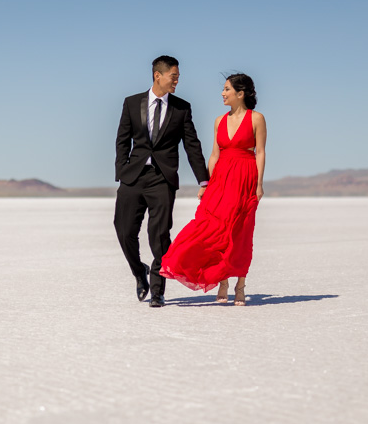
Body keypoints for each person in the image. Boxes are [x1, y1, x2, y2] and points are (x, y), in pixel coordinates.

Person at [160, 73, 266, 306]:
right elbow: (215, 154)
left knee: (240, 232)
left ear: (241, 93)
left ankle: (239, 284)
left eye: (227, 89)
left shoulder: (256, 118)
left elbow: (260, 153)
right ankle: (222, 280)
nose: (223, 93)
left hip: (244, 178)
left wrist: (258, 184)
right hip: (220, 179)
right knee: (211, 227)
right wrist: (206, 184)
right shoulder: (219, 121)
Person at [114, 55, 210, 308]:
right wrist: (121, 171)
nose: (177, 81)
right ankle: (139, 271)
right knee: (124, 232)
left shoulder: (181, 107)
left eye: (178, 77)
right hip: (133, 177)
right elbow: (122, 140)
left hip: (162, 179)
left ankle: (157, 290)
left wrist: (204, 180)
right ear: (158, 75)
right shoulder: (132, 103)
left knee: (159, 236)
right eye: (174, 76)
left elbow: (192, 145)